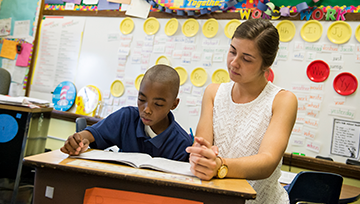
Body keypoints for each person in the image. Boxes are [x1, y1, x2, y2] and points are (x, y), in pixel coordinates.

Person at [186, 18, 298, 203]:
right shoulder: (213, 93)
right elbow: (203, 148)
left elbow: (267, 162)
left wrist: (219, 165)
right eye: (232, 51)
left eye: (246, 59)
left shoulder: (282, 100)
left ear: (265, 65)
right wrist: (201, 157)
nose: (234, 63)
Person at [60, 64, 193, 162]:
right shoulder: (127, 117)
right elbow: (92, 134)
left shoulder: (182, 144)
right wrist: (78, 140)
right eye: (141, 100)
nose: (147, 109)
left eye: (158, 104)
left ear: (174, 104)